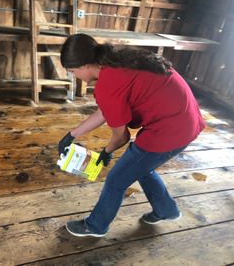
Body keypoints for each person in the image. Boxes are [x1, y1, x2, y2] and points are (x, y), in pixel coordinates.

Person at [57, 33, 205, 238]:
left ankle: (96, 226)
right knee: (141, 166)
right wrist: (72, 135)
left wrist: (106, 152)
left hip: (170, 129)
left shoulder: (108, 83)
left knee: (116, 179)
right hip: (185, 120)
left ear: (85, 65)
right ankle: (166, 210)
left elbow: (121, 137)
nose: (73, 75)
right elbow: (105, 111)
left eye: (72, 71)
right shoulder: (115, 60)